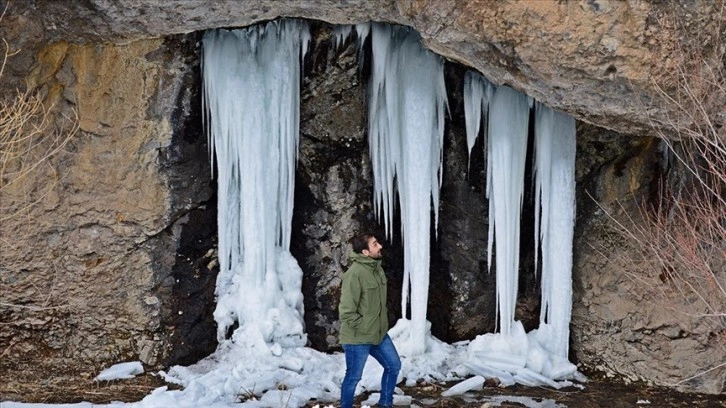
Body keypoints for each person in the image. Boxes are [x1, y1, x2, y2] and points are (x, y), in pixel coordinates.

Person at [338, 233, 401, 408]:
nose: (380, 246)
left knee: (394, 366)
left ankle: (385, 404)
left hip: (379, 334)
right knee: (353, 377)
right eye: (375, 244)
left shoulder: (377, 269)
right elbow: (346, 310)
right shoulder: (355, 274)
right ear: (365, 252)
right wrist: (363, 327)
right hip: (358, 337)